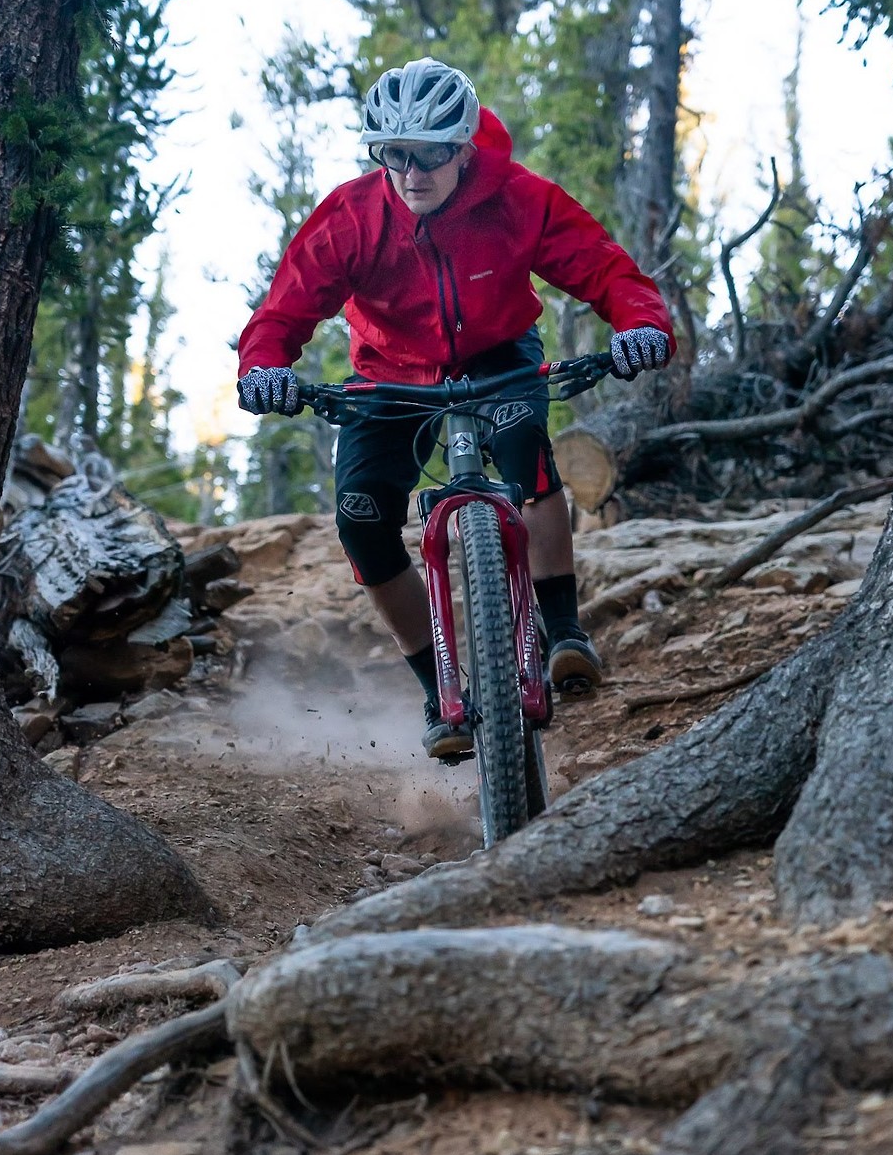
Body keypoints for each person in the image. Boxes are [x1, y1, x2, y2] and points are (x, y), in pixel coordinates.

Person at [237, 58, 675, 759]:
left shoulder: (516, 197)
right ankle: (435, 692)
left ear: (464, 143)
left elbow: (604, 268)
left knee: (526, 446)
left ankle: (562, 630)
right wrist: (263, 368)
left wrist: (640, 326)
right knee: (360, 523)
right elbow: (283, 310)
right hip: (389, 374)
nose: (412, 173)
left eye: (431, 153)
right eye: (395, 155)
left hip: (498, 353)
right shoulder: (352, 216)